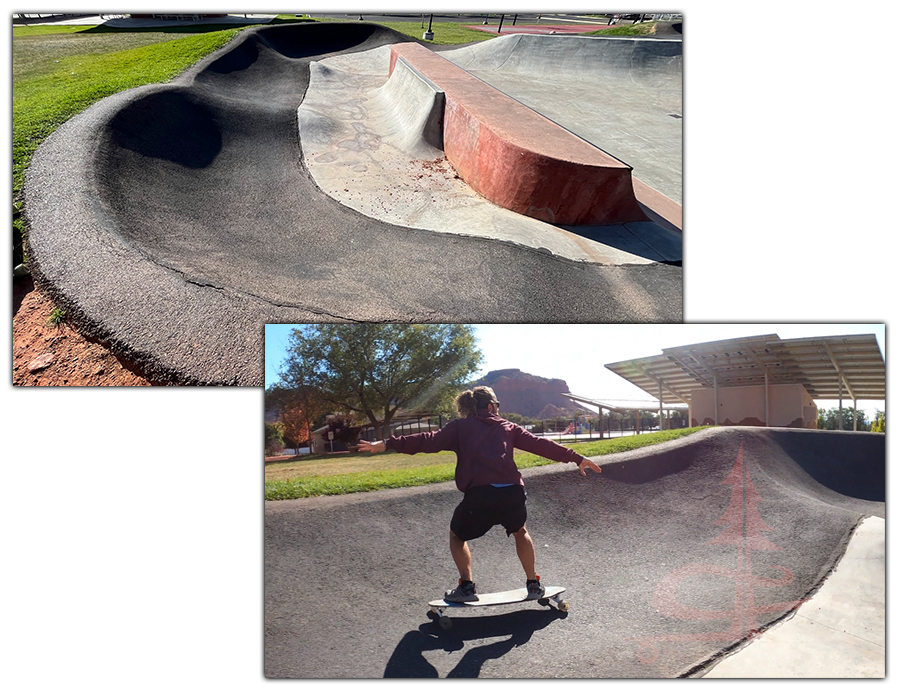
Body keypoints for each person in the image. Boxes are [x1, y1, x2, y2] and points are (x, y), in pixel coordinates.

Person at [357, 386, 601, 603]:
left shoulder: (459, 427)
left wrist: (388, 443)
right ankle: (533, 584)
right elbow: (541, 444)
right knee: (520, 531)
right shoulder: (508, 427)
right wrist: (577, 458)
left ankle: (466, 587)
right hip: (512, 494)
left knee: (457, 535)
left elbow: (427, 440)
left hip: (480, 496)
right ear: (492, 406)